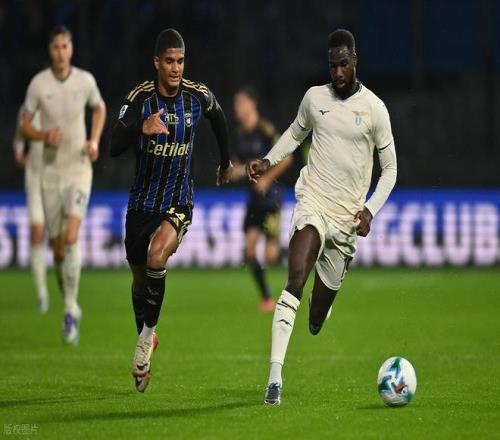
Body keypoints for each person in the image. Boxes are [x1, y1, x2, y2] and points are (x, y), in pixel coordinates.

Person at [247, 29, 397, 405]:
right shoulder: (314, 99)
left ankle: (320, 308)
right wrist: (267, 160)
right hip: (313, 202)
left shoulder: (375, 109)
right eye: (332, 66)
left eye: (344, 64)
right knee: (295, 279)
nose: (338, 72)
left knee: (315, 320)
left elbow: (391, 170)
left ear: (355, 60)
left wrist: (370, 210)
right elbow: (294, 134)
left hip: (347, 222)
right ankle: (274, 379)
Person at [110, 28, 233, 393]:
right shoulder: (140, 99)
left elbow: (219, 118)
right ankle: (147, 339)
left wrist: (225, 162)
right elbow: (114, 144)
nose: (176, 68)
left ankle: (145, 338)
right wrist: (140, 128)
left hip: (178, 200)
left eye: (180, 61)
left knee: (156, 256)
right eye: (169, 61)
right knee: (139, 281)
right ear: (157, 63)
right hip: (141, 204)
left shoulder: (197, 96)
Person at [21, 25, 106, 344]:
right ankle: (69, 302)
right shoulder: (38, 84)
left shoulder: (85, 81)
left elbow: (99, 108)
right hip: (49, 176)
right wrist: (43, 135)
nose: (61, 52)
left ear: (72, 49)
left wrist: (94, 141)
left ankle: (70, 309)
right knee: (58, 251)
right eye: (56, 47)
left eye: (65, 46)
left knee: (71, 237)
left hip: (79, 170)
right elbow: (24, 123)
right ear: (50, 50)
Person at [232, 87, 292, 311]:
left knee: (271, 255)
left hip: (271, 197)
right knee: (249, 251)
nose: (237, 108)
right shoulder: (239, 135)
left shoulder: (265, 130)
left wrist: (266, 179)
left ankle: (298, 255)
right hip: (254, 198)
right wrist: (232, 172)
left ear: (251, 104)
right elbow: (240, 167)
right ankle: (267, 298)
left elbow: (287, 157)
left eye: (240, 103)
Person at [13, 109, 49, 313]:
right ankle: (42, 293)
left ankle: (68, 292)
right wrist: (19, 152)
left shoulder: (63, 105)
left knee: (61, 241)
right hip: (34, 178)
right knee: (37, 233)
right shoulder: (28, 110)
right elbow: (19, 136)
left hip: (59, 179)